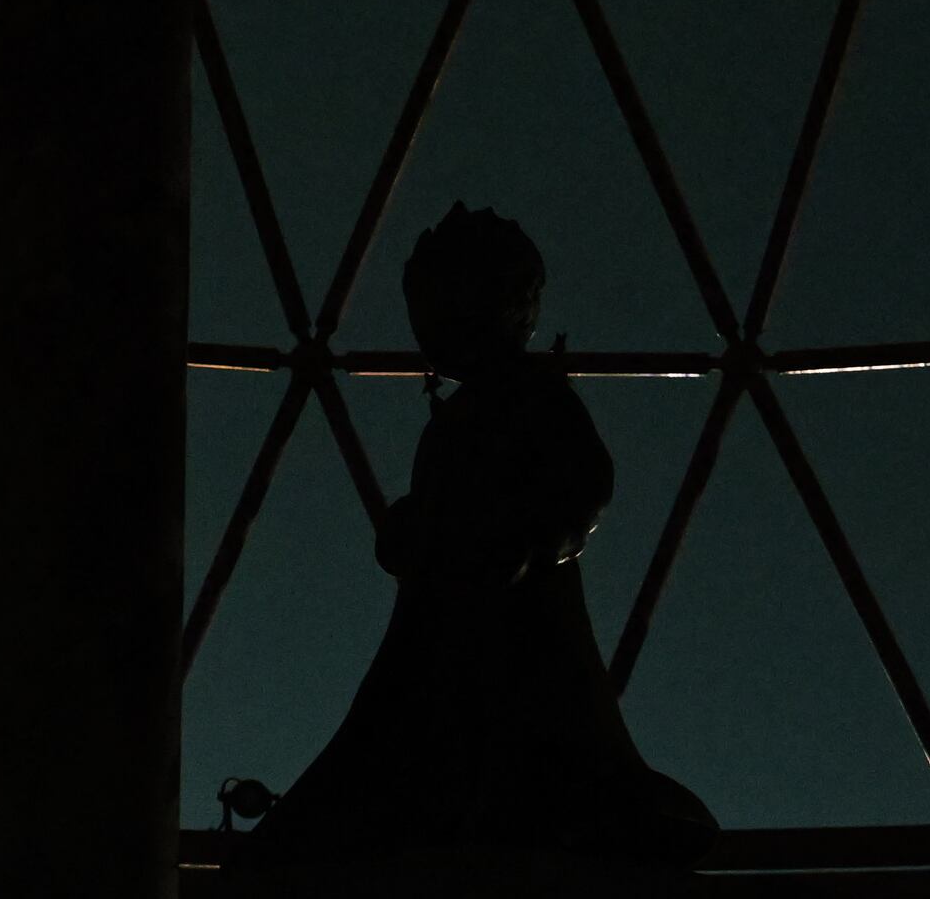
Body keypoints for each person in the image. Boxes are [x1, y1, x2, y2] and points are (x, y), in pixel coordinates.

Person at [247, 204, 713, 863]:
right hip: (445, 625)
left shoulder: (526, 394)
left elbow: (582, 480)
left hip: (506, 628)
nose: (426, 325)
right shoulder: (471, 411)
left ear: (497, 303)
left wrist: (517, 542)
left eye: (441, 300)